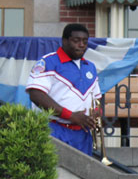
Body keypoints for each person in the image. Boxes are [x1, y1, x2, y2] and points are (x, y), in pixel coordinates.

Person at [26, 23, 100, 155]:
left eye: (85, 41)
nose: (81, 44)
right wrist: (71, 116)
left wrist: (95, 113)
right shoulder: (48, 62)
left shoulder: (90, 66)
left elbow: (97, 98)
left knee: (83, 174)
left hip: (82, 134)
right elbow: (36, 94)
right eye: (76, 41)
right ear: (64, 41)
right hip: (55, 129)